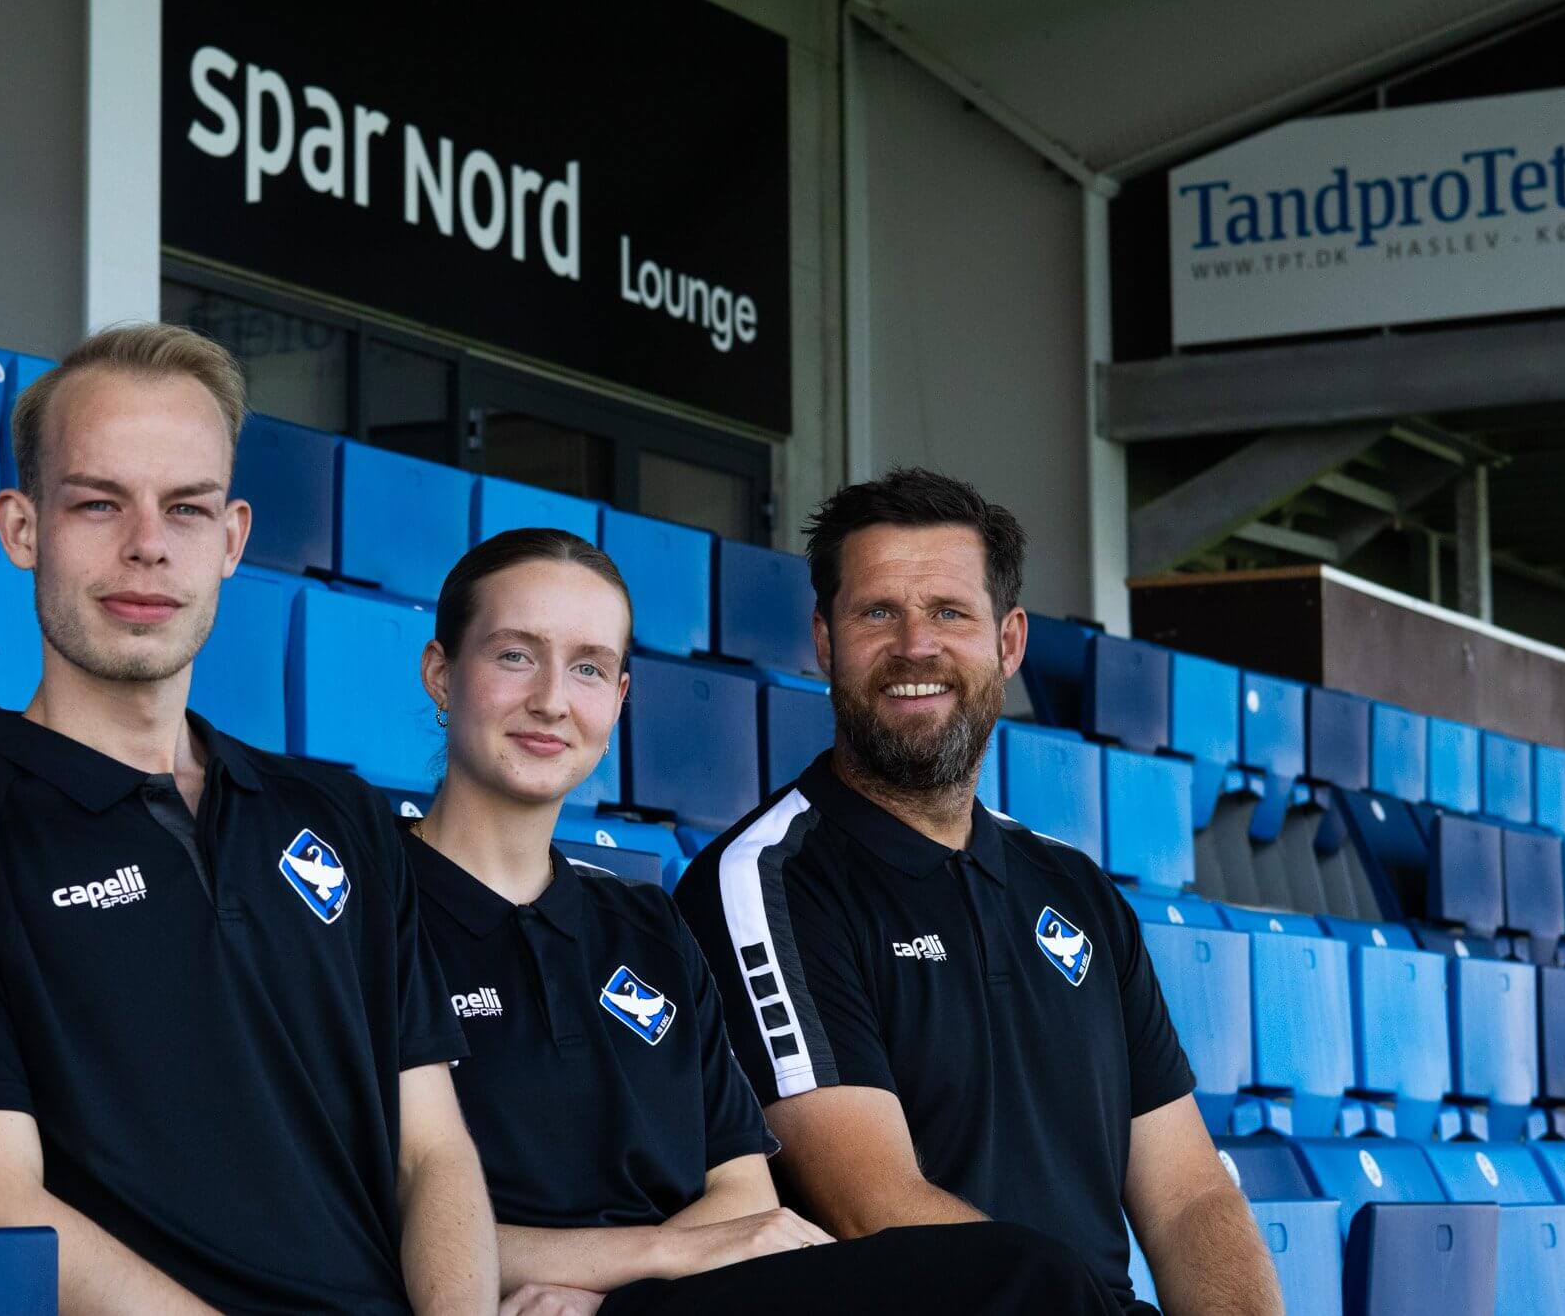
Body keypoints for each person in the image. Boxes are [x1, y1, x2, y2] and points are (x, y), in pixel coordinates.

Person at [0, 324, 498, 1316]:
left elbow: (432, 1153)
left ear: (231, 538)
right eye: (99, 502)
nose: (147, 544)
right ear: (21, 528)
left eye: (185, 507)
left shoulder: (343, 817)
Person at [403, 527, 1128, 1316]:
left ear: (618, 698)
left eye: (588, 667)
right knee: (1028, 1278)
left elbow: (744, 1191)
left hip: (668, 1302)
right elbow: (365, 1213)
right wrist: (655, 1256)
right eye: (515, 655)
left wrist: (605, 1286)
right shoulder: (365, 908)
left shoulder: (647, 924)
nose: (552, 698)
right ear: (441, 673)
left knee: (1025, 1276)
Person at [671, 469, 1283, 1316]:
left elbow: (1190, 1197)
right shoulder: (765, 881)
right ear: (825, 640)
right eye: (877, 612)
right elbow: (874, 1207)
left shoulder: (1076, 888)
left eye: (950, 612)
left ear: (1009, 641)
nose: (915, 646)